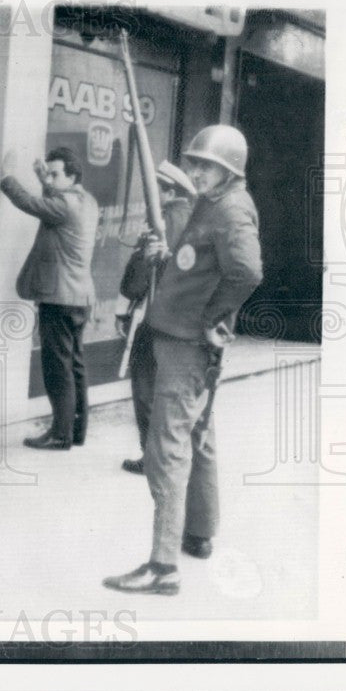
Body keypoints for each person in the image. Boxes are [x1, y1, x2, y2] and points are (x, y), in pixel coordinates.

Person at [103, 125, 263, 595]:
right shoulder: (215, 203)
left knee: (167, 449)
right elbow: (201, 263)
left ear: (229, 169)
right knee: (198, 436)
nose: (194, 171)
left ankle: (162, 566)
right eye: (193, 163)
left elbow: (247, 272)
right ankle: (198, 533)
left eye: (204, 165)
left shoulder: (231, 208)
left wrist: (214, 314)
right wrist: (168, 257)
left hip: (186, 342)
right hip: (184, 337)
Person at [0, 147, 99, 450]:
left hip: (59, 297)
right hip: (79, 296)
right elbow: (53, 201)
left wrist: (7, 177)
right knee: (76, 365)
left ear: (72, 176)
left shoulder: (65, 204)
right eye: (50, 173)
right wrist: (45, 180)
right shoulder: (86, 201)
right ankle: (76, 430)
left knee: (58, 369)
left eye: (56, 174)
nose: (51, 178)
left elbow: (31, 203)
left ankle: (60, 434)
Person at [117, 161, 197, 476]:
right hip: (180, 322)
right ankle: (168, 456)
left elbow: (136, 281)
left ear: (166, 191)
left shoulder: (162, 223)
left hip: (154, 319)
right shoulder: (191, 219)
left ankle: (153, 458)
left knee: (145, 389)